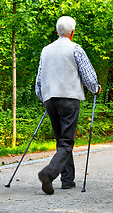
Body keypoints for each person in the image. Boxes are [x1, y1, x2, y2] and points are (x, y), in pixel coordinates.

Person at [35, 16, 101, 195]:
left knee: (61, 140)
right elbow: (87, 73)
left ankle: (67, 180)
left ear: (57, 31)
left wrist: (42, 97)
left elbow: (39, 78)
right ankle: (48, 173)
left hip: (50, 99)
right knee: (67, 141)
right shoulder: (75, 49)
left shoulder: (46, 50)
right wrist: (95, 88)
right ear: (72, 32)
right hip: (69, 98)